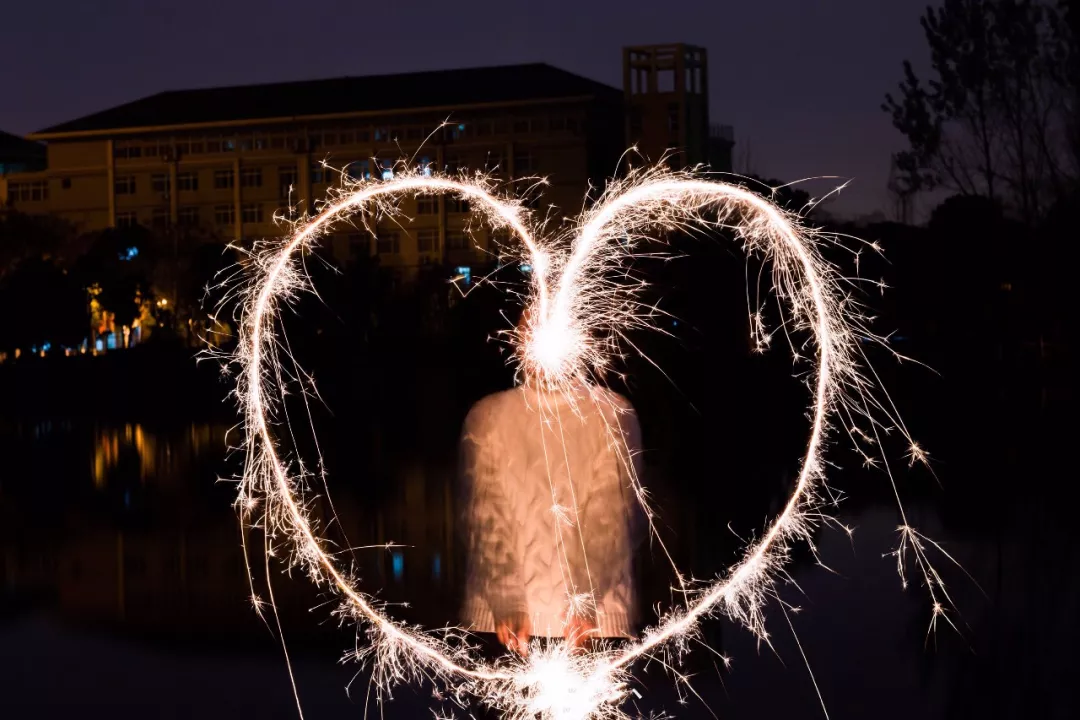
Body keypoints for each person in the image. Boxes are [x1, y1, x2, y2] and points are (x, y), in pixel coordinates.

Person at [459, 376, 643, 655]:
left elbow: (611, 517)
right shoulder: (487, 416)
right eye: (526, 329)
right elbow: (484, 517)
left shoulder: (612, 413)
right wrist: (506, 599)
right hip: (502, 629)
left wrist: (585, 601)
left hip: (595, 627)